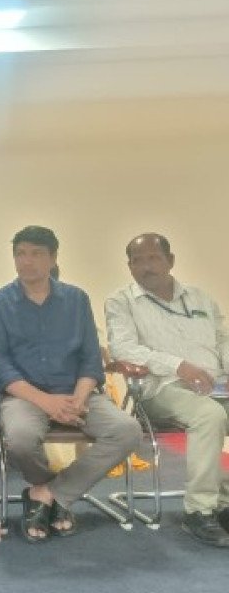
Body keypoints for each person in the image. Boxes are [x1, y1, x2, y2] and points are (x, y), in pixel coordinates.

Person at [0, 225, 140, 543]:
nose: (27, 261)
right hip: (24, 396)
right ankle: (52, 494)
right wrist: (46, 402)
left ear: (53, 258)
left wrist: (78, 399)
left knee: (127, 430)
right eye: (20, 254)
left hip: (78, 393)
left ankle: (49, 494)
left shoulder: (76, 299)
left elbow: (90, 359)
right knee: (21, 439)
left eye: (36, 254)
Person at [106, 233, 229, 546]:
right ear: (129, 267)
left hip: (216, 385)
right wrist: (179, 366)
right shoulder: (121, 302)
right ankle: (199, 511)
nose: (146, 266)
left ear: (170, 261)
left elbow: (223, 341)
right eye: (137, 261)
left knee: (213, 409)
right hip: (160, 388)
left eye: (153, 258)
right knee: (209, 415)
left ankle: (224, 503)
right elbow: (123, 349)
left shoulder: (201, 298)